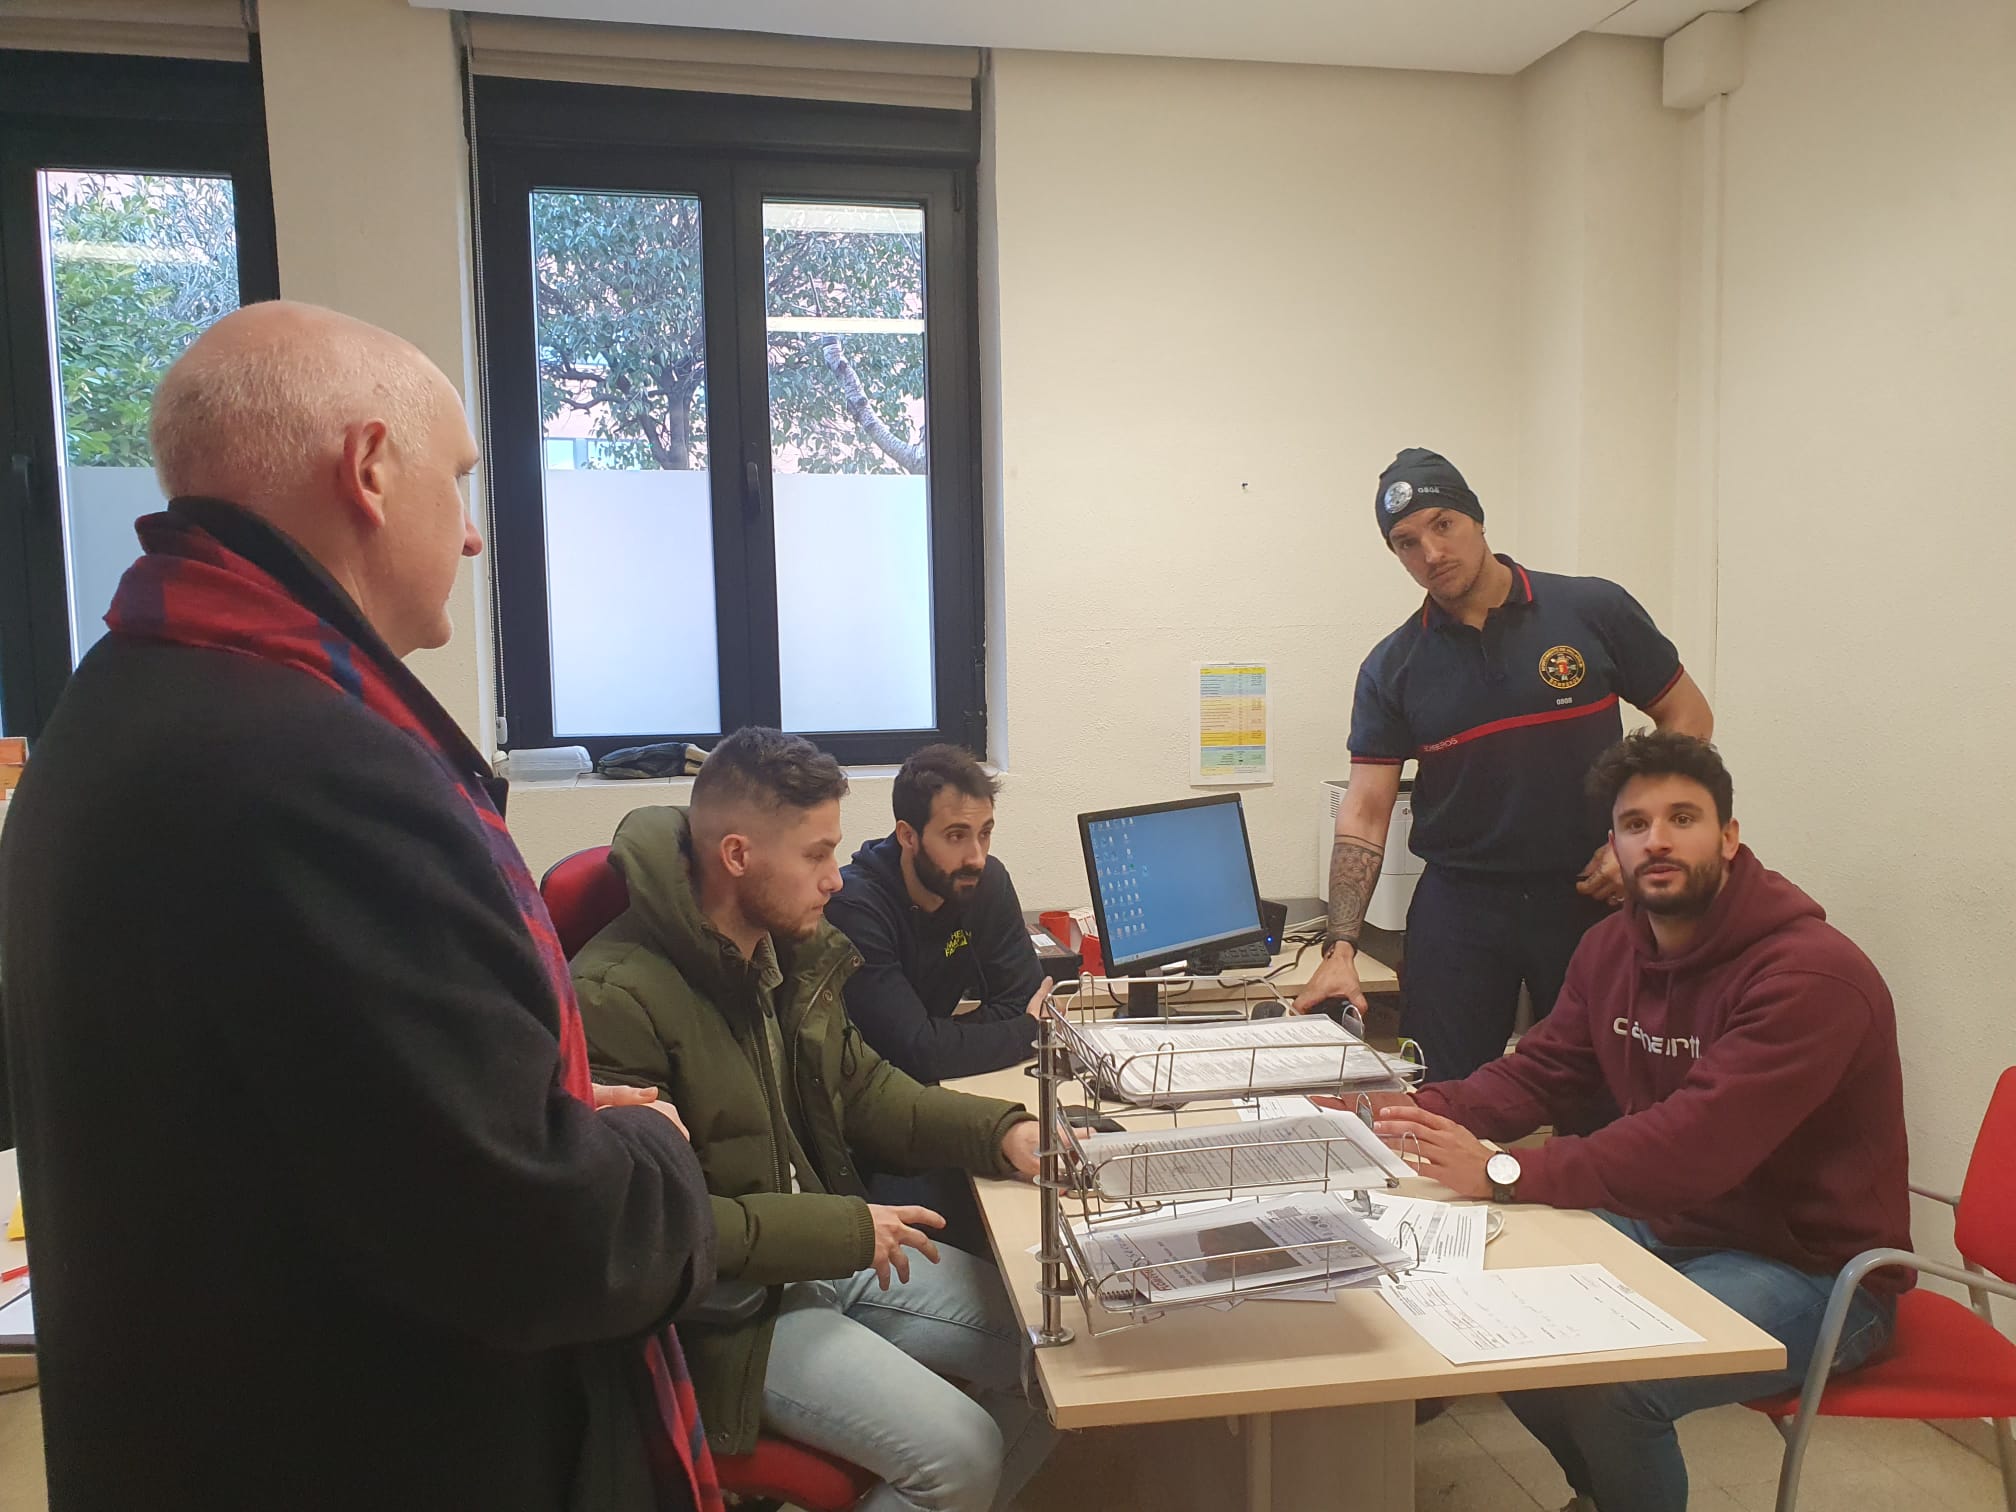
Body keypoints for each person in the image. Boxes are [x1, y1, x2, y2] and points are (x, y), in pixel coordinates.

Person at [0, 302, 717, 1512]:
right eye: (461, 479)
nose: (474, 534)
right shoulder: (316, 773)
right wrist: (656, 1156)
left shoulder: (116, 698)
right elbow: (531, 1238)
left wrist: (511, 1110)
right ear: (371, 468)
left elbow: (321, 1103)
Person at [1374, 731, 1910, 1512]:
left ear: (1728, 838)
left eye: (1682, 819)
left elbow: (1695, 1146)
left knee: (1615, 1383)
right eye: (1635, 824)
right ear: (1613, 848)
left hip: (1817, 1271)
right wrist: (1401, 1114)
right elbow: (1544, 1071)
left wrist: (1504, 1170)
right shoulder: (1611, 947)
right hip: (1676, 1226)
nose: (1657, 840)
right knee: (1493, 1316)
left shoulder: (1811, 975)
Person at [572, 727, 1058, 1512]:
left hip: (823, 1256)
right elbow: (658, 1228)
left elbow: (867, 1091)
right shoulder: (615, 996)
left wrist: (1000, 1131)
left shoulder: (784, 952)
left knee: (1058, 1355)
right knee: (963, 1455)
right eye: (816, 855)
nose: (836, 879)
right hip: (729, 1316)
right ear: (738, 855)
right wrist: (844, 1229)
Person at [1296, 447, 1715, 1089]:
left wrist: (1628, 844)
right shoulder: (1392, 667)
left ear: (1477, 518)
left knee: (1607, 1091)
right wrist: (1341, 946)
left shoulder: (1591, 609)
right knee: (1439, 1094)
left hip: (1589, 892)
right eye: (1407, 542)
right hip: (1460, 907)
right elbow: (1367, 808)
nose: (1432, 553)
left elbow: (1688, 715)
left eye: (1443, 525)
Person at [824, 744, 1050, 1086]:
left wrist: (940, 1040)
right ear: (908, 836)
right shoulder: (854, 908)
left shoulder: (986, 882)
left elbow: (1024, 1000)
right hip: (864, 1094)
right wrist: (1026, 1032)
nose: (976, 857)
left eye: (985, 833)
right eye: (956, 836)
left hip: (939, 1085)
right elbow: (913, 1052)